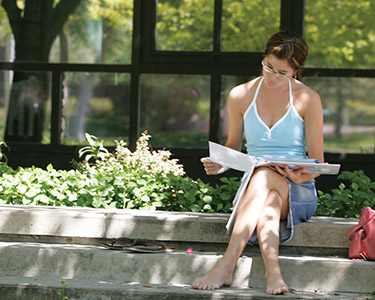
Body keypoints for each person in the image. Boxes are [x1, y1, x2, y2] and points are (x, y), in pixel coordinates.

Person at [192, 30, 324, 295]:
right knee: (269, 201)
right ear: (263, 59)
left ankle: (226, 264)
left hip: (298, 190)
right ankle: (273, 272)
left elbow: (317, 163)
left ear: (295, 71)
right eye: (268, 67)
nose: (273, 77)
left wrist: (300, 176)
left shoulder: (308, 98)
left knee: (264, 178)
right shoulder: (240, 95)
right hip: (256, 190)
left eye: (282, 73)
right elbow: (233, 148)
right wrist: (222, 164)